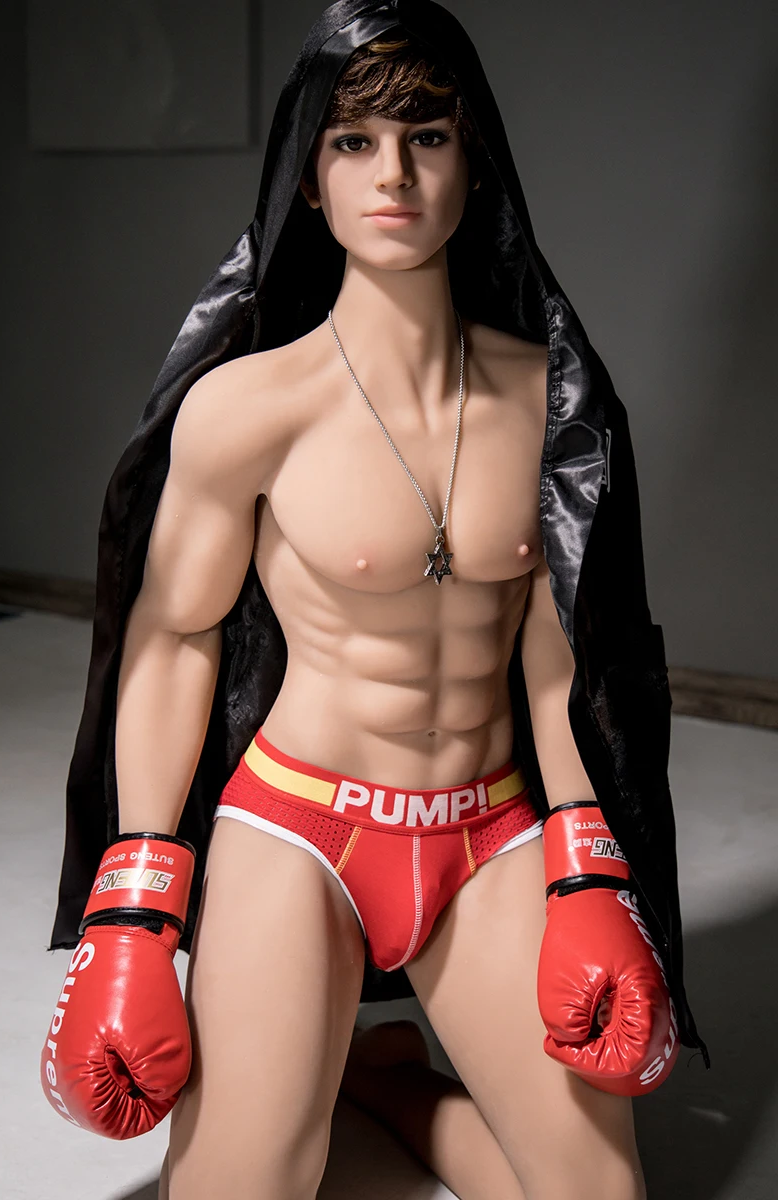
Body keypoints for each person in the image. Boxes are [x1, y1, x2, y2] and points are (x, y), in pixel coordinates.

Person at [41, 3, 709, 1198]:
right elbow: (174, 636)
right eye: (352, 142)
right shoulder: (250, 408)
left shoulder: (550, 399)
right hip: (301, 830)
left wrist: (585, 865)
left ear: (473, 160)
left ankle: (386, 1083)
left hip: (487, 831)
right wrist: (132, 909)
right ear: (307, 178)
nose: (391, 174)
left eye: (425, 137)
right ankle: (328, 1078)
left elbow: (562, 650)